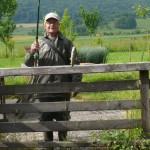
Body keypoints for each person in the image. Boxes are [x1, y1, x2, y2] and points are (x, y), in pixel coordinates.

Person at [24, 12, 82, 142]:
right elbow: (28, 63)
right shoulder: (38, 43)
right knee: (46, 124)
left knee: (64, 123)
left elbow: (76, 65)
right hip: (44, 92)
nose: (52, 24)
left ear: (58, 24)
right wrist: (32, 51)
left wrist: (76, 84)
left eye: (54, 22)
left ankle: (64, 146)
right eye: (49, 22)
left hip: (62, 91)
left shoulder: (67, 43)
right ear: (44, 25)